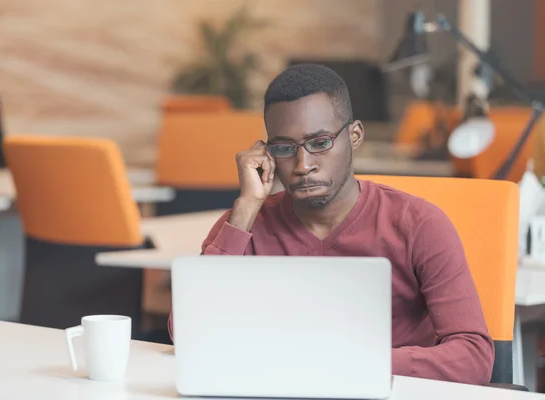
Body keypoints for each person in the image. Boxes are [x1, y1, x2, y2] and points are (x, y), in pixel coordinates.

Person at [168, 63, 494, 385]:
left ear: (354, 136)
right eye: (284, 148)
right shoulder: (246, 223)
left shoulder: (418, 223)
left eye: (320, 142)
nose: (303, 165)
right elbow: (187, 331)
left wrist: (352, 361)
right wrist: (247, 206)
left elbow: (474, 357)